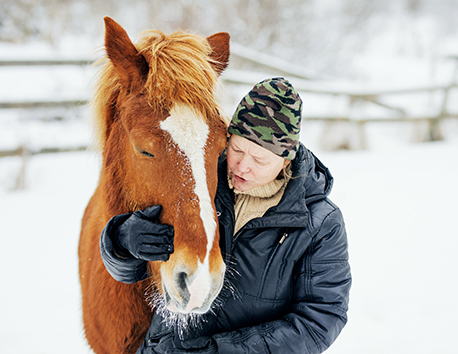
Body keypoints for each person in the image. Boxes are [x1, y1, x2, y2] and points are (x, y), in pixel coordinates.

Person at [100, 77, 351, 353]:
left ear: (286, 159)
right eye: (238, 150)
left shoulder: (320, 223)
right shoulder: (201, 180)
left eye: (260, 160)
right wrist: (122, 241)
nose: (243, 166)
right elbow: (136, 273)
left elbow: (319, 321)